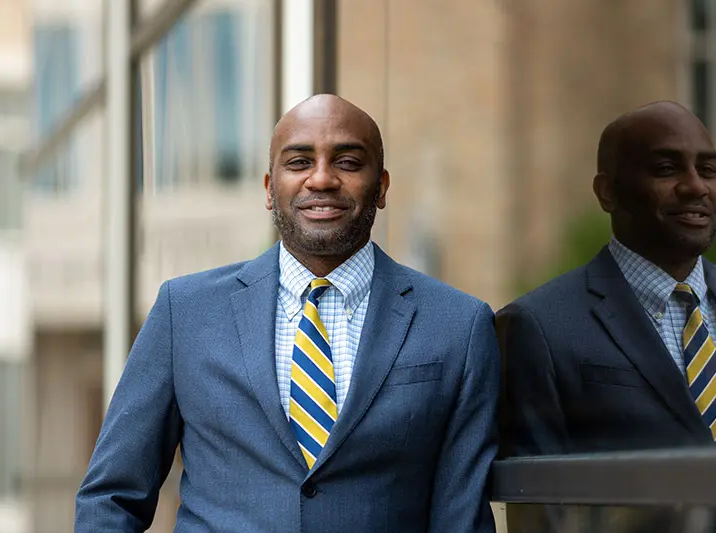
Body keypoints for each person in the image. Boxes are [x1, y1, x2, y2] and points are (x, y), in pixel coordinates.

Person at [75, 94, 500, 532]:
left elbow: (461, 519)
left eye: (348, 163)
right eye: (299, 162)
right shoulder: (184, 313)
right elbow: (111, 497)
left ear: (383, 186)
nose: (321, 179)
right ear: (268, 187)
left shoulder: (459, 326)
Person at [497, 101, 716, 532]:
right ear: (607, 191)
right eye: (667, 168)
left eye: (708, 170)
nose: (696, 187)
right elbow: (542, 516)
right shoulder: (536, 327)